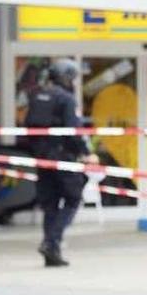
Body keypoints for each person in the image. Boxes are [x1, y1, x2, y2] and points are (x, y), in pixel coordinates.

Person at [24, 58, 98, 267]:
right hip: (62, 156)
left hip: (42, 157)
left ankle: (52, 253)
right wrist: (85, 153)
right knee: (73, 199)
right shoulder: (66, 99)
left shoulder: (36, 95)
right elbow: (73, 131)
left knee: (50, 205)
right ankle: (51, 242)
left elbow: (29, 127)